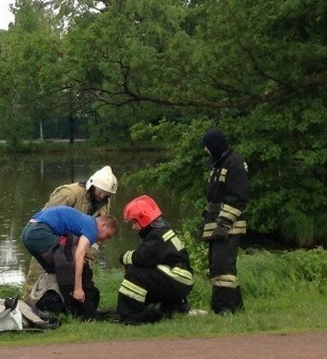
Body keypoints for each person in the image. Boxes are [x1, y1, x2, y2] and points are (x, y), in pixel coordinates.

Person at [23, 165, 118, 293]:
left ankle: (59, 303)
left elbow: (98, 234)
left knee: (69, 271)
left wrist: (88, 257)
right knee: (40, 274)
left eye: (106, 194)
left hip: (72, 244)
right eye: (99, 192)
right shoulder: (69, 194)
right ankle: (28, 299)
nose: (101, 196)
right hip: (49, 238)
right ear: (92, 186)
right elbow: (45, 218)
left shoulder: (104, 204)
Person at [21, 206, 118, 319]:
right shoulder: (92, 228)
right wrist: (78, 288)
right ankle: (75, 306)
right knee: (68, 263)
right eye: (107, 236)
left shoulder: (86, 221)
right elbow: (78, 256)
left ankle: (52, 304)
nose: (104, 240)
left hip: (27, 232)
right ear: (103, 224)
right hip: (38, 232)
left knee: (57, 269)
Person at [116, 195, 194, 325]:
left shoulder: (157, 235)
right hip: (179, 279)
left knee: (135, 272)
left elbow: (141, 257)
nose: (133, 227)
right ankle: (170, 308)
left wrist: (123, 257)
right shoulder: (160, 231)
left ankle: (129, 314)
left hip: (178, 278)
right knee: (143, 272)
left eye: (134, 222)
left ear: (143, 219)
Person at [200, 128, 248, 314]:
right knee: (217, 267)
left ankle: (224, 309)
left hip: (229, 227)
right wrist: (206, 221)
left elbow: (238, 197)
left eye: (207, 147)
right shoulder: (219, 164)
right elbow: (214, 197)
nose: (205, 151)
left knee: (223, 269)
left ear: (214, 145)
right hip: (217, 225)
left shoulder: (235, 163)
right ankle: (236, 307)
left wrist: (224, 223)